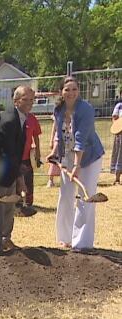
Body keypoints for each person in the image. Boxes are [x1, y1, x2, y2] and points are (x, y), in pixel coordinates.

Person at [46, 76, 105, 251]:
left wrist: (77, 167)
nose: (71, 93)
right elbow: (59, 134)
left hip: (88, 158)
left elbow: (81, 139)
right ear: (61, 92)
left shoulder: (85, 109)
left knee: (84, 197)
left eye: (74, 89)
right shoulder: (59, 110)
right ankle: (65, 238)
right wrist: (55, 151)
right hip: (68, 157)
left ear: (78, 91)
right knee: (65, 196)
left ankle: (82, 243)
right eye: (67, 89)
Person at [0, 86, 32, 254]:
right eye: (25, 99)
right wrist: (21, 179)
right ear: (16, 101)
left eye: (31, 100)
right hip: (1, 168)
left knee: (9, 206)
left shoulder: (21, 119)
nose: (29, 103)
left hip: (11, 167)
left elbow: (15, 152)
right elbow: (7, 153)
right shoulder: (9, 121)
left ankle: (5, 238)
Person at [16, 107, 42, 217]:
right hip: (15, 157)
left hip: (26, 157)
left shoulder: (32, 118)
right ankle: (17, 203)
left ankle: (28, 202)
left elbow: (36, 136)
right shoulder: (12, 118)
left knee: (28, 180)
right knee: (15, 181)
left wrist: (38, 152)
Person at [111, 101, 122, 185]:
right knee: (119, 156)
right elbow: (115, 120)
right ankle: (117, 179)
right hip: (120, 136)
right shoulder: (119, 106)